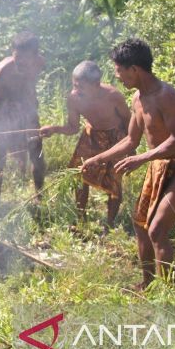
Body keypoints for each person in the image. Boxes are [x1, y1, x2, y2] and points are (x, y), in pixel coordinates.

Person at [82, 39, 175, 291]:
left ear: (134, 69)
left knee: (157, 229)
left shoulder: (166, 95)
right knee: (141, 225)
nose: (118, 77)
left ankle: (169, 293)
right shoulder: (138, 99)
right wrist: (98, 159)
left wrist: (144, 158)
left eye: (119, 71)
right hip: (159, 167)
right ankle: (148, 284)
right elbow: (130, 140)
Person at [39, 61, 131, 232]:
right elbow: (72, 128)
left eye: (81, 86)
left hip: (115, 138)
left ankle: (109, 224)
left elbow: (128, 119)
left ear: (96, 85)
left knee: (114, 181)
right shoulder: (74, 99)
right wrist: (53, 129)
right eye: (74, 85)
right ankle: (80, 218)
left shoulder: (113, 95)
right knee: (80, 174)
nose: (76, 90)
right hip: (91, 137)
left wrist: (130, 144)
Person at [0, 32, 45, 201]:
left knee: (37, 153)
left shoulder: (39, 63)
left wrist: (30, 105)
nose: (20, 63)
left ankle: (40, 197)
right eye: (17, 58)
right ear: (12, 53)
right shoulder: (3, 71)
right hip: (4, 113)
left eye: (25, 59)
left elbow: (30, 89)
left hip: (28, 111)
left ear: (35, 55)